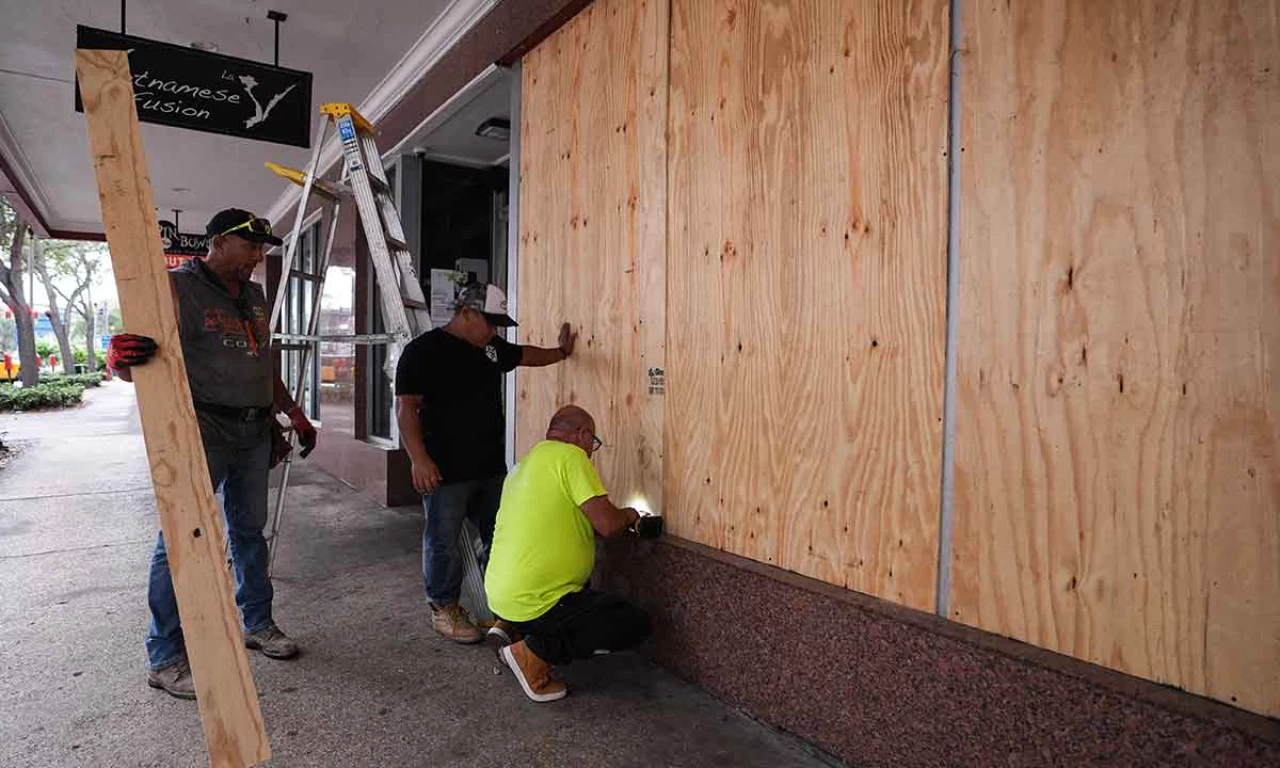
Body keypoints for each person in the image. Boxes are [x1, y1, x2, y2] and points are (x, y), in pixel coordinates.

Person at [106, 208, 318, 700]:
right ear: (218, 241)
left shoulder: (256, 295)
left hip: (253, 433)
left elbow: (263, 362)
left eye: (263, 248)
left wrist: (292, 412)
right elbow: (141, 358)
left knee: (249, 533)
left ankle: (258, 624)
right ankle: (164, 656)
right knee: (182, 540)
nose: (257, 256)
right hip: (201, 430)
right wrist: (119, 361)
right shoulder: (176, 288)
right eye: (249, 246)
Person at [394, 282, 574, 643]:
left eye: (497, 325)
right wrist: (419, 460)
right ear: (466, 313)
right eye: (488, 322)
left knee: (502, 536)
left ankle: (503, 607)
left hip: (491, 468)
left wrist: (561, 352)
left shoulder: (491, 349)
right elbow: (407, 409)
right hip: (446, 470)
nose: (493, 332)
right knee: (442, 540)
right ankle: (444, 609)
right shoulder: (422, 352)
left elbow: (524, 355)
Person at [484, 405, 651, 702]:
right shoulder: (571, 457)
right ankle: (531, 657)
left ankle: (510, 629)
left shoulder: (525, 464)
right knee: (631, 622)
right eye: (593, 444)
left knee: (580, 595)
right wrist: (631, 514)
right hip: (538, 600)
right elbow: (609, 524)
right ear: (583, 434)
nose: (591, 452)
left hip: (501, 597)